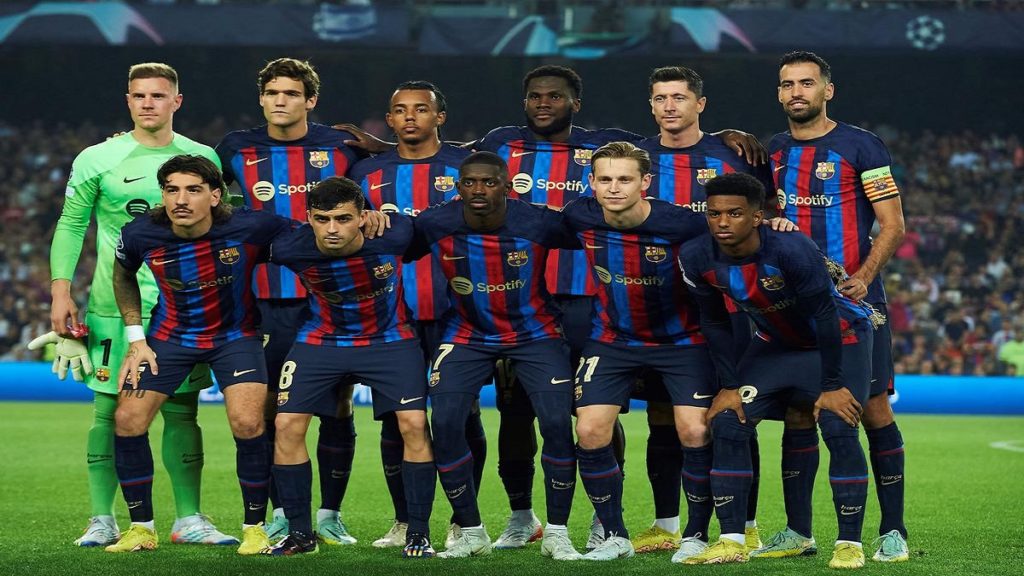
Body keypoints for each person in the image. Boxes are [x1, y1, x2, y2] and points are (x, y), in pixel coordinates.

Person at [40, 62, 232, 548]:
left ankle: (189, 519)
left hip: (185, 307)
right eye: (139, 95)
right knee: (108, 412)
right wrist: (60, 291)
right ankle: (101, 519)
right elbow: (71, 224)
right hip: (113, 305)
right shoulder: (97, 158)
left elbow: (223, 228)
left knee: (182, 411)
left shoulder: (202, 155)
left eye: (158, 95)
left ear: (176, 101)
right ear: (128, 101)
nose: (148, 103)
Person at [678, 172, 876, 569]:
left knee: (838, 423)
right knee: (729, 421)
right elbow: (713, 320)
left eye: (735, 213)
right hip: (777, 343)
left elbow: (825, 315)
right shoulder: (696, 255)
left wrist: (831, 385)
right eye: (714, 214)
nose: (722, 222)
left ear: (757, 217)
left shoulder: (791, 248)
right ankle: (733, 540)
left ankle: (849, 543)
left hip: (840, 338)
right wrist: (729, 386)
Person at [108, 154, 293, 554]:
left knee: (248, 423)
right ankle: (141, 529)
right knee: (127, 420)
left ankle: (255, 528)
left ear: (215, 195)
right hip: (170, 336)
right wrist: (136, 338)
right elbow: (122, 274)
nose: (181, 200)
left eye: (193, 190)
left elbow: (311, 238)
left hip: (235, 336)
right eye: (171, 190)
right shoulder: (140, 233)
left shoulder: (251, 226)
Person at [766, 51, 909, 562]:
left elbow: (893, 224)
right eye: (788, 84)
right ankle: (798, 531)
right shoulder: (772, 151)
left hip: (855, 303)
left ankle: (893, 530)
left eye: (807, 83)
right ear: (779, 93)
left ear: (828, 90)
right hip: (792, 306)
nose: (796, 92)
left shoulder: (861, 145)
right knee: (798, 410)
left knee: (872, 408)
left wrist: (863, 278)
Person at [215, 57, 364, 546]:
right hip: (265, 299)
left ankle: (330, 514)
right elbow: (200, 185)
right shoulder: (235, 147)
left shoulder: (341, 146)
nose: (281, 101)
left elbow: (384, 174)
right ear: (261, 97)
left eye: (292, 93)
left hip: (333, 296)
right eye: (273, 92)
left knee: (337, 405)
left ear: (310, 100)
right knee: (271, 410)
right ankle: (281, 512)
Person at [406, 152, 581, 561]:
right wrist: (371, 220)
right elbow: (392, 242)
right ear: (458, 187)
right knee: (444, 423)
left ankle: (557, 533)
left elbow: (598, 234)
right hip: (467, 333)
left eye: (488, 182)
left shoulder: (539, 221)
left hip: (535, 332)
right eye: (469, 182)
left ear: (508, 186)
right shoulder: (435, 222)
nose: (478, 190)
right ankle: (471, 532)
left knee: (557, 423)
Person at [631, 65, 774, 555]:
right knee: (661, 418)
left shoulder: (732, 155)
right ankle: (666, 524)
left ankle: (746, 525)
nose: (669, 106)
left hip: (727, 308)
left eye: (678, 97)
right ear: (651, 105)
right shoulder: (636, 158)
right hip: (657, 309)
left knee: (736, 415)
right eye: (660, 98)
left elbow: (765, 215)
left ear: (700, 104)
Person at [264, 177, 436, 558]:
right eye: (322, 219)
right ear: (308, 217)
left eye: (343, 219)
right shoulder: (289, 246)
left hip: (390, 339)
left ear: (362, 217)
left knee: (414, 424)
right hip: (321, 340)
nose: (332, 229)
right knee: (286, 424)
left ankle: (418, 533)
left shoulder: (395, 233)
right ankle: (300, 534)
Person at [348, 81, 487, 549]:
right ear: (389, 120)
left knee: (461, 417)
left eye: (421, 109)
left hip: (457, 314)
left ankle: (463, 521)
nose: (410, 117)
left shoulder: (465, 168)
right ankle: (405, 521)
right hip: (391, 316)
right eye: (400, 110)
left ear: (439, 117)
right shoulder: (366, 173)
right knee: (396, 420)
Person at [563, 141, 716, 562]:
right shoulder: (579, 216)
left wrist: (777, 224)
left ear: (645, 182)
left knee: (694, 432)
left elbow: (731, 244)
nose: (614, 188)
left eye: (624, 179)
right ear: (591, 182)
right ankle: (614, 535)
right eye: (605, 179)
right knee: (590, 430)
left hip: (682, 342)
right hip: (613, 340)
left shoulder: (683, 224)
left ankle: (696, 534)